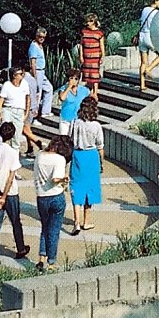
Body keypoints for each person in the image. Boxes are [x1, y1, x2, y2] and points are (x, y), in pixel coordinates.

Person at [0, 121, 30, 266]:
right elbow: (11, 177)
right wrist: (4, 196)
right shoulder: (12, 153)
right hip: (10, 193)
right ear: (12, 136)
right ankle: (20, 248)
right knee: (15, 221)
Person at [33, 135, 72, 270]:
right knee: (54, 231)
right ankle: (51, 262)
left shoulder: (39, 155)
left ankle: (41, 258)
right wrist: (64, 179)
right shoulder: (59, 159)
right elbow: (55, 179)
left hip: (41, 197)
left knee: (45, 228)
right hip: (56, 196)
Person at [68, 97, 105, 236]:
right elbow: (100, 147)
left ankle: (76, 222)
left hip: (77, 155)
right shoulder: (96, 126)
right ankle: (86, 221)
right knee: (90, 188)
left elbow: (70, 139)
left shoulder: (75, 123)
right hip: (91, 157)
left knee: (76, 187)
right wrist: (102, 163)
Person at [0, 67, 39, 155]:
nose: (22, 75)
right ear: (14, 76)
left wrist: (26, 113)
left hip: (20, 111)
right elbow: (1, 101)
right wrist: (0, 113)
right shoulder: (7, 85)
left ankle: (14, 156)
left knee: (17, 136)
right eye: (20, 74)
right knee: (4, 132)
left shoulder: (24, 84)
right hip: (8, 109)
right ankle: (0, 153)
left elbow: (28, 98)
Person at [138, 0, 159, 92]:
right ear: (156, 1)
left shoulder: (144, 9)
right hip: (149, 36)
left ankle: (142, 84)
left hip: (141, 36)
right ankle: (149, 69)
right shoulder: (156, 12)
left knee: (143, 62)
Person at [27, 28, 54, 121]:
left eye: (43, 37)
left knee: (49, 88)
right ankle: (34, 118)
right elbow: (33, 63)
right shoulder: (34, 47)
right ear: (36, 36)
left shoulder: (40, 46)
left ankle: (45, 111)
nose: (42, 38)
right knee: (37, 94)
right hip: (37, 71)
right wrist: (34, 77)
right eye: (40, 36)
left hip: (42, 71)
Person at [79, 13, 107, 99]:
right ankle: (89, 92)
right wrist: (81, 56)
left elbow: (102, 46)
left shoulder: (99, 33)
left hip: (95, 57)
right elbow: (81, 45)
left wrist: (102, 56)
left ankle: (95, 93)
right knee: (87, 75)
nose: (87, 23)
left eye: (89, 21)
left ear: (93, 22)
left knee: (94, 75)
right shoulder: (84, 32)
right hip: (86, 57)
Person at [57, 70, 91, 137]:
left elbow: (92, 98)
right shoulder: (64, 88)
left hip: (77, 119)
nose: (74, 80)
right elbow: (62, 98)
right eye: (71, 78)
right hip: (66, 118)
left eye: (76, 79)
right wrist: (69, 87)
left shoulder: (83, 90)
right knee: (64, 138)